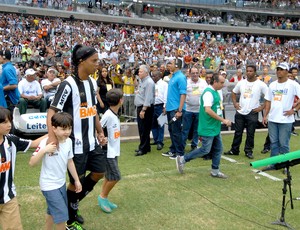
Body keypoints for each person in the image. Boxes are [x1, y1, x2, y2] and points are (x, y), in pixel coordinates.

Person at [47, 44, 106, 230]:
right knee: (75, 183)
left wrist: (99, 131)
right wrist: (52, 139)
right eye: (94, 61)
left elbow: (93, 110)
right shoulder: (67, 84)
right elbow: (51, 112)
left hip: (92, 142)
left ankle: (71, 205)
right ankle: (70, 219)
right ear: (81, 62)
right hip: (76, 146)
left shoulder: (91, 82)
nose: (98, 64)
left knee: (99, 172)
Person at [29, 112, 82, 230]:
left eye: (69, 128)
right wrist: (44, 150)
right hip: (49, 186)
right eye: (63, 129)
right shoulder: (46, 142)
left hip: (61, 184)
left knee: (51, 212)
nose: (67, 132)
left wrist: (77, 180)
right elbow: (32, 162)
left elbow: (70, 162)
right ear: (54, 128)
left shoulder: (68, 141)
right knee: (62, 216)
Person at [175, 73, 232, 178]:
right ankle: (183, 159)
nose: (223, 85)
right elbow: (208, 110)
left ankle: (215, 170)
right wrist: (223, 120)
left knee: (218, 149)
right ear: (215, 82)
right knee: (205, 149)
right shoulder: (208, 93)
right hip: (208, 127)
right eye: (221, 82)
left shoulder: (215, 92)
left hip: (214, 127)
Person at [0, 107, 45, 230]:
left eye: (10, 121)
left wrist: (53, 132)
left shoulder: (11, 140)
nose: (9, 125)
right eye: (4, 122)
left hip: (8, 197)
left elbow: (34, 143)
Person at [224, 65, 268, 159]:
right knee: (238, 132)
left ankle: (248, 151)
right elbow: (233, 92)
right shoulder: (241, 83)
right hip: (240, 111)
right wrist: (235, 103)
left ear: (255, 72)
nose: (248, 73)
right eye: (247, 71)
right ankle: (234, 150)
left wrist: (261, 107)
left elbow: (268, 96)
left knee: (250, 133)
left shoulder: (261, 84)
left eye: (251, 71)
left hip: (252, 112)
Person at [263, 63, 300, 160]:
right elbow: (268, 101)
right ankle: (273, 163)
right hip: (273, 119)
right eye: (278, 69)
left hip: (286, 120)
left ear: (287, 71)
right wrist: (265, 115)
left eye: (281, 69)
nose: (279, 71)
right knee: (273, 142)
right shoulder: (272, 85)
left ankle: (285, 164)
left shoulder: (293, 84)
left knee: (284, 144)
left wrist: (294, 110)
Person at [98, 88, 123, 213]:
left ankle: (104, 197)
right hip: (107, 151)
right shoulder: (108, 115)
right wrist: (101, 139)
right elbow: (98, 128)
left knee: (109, 176)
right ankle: (102, 197)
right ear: (121, 101)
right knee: (116, 176)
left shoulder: (113, 114)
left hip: (114, 150)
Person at [162, 59, 187, 159]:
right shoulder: (173, 76)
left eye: (170, 63)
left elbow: (183, 94)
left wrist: (179, 110)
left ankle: (180, 153)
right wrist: (166, 107)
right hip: (170, 108)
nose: (168, 65)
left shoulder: (180, 77)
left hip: (176, 109)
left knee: (176, 131)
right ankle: (173, 150)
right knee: (172, 130)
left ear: (176, 65)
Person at [181, 67, 207, 151]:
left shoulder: (203, 82)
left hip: (199, 110)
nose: (195, 74)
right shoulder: (186, 82)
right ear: (190, 73)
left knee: (197, 130)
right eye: (193, 73)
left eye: (196, 73)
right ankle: (182, 146)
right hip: (188, 109)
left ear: (199, 73)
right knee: (185, 129)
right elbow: (182, 94)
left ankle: (194, 145)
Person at [134, 64, 155, 156]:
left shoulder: (149, 82)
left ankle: (143, 148)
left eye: (141, 71)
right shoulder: (142, 81)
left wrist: (143, 110)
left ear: (146, 73)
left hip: (145, 108)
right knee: (142, 128)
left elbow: (148, 98)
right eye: (139, 71)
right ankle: (145, 146)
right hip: (141, 106)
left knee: (144, 129)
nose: (139, 73)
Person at [151, 70, 168, 151]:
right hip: (152, 106)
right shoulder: (152, 84)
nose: (153, 77)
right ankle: (156, 139)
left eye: (154, 76)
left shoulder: (164, 84)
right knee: (153, 124)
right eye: (152, 76)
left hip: (160, 106)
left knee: (160, 124)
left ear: (159, 76)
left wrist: (165, 106)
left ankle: (160, 142)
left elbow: (166, 96)